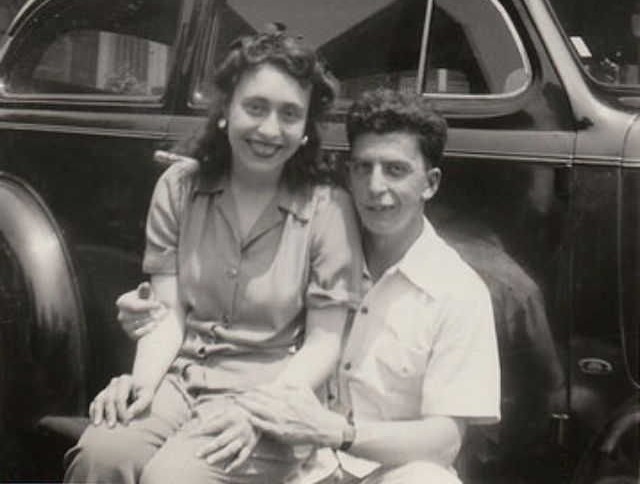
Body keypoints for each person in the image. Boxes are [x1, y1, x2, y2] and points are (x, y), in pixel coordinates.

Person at [120, 87, 500, 484]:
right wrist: (146, 311)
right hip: (284, 457)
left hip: (382, 469)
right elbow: (214, 304)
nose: (375, 187)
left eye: (395, 170)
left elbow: (443, 441)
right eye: (362, 167)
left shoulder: (457, 291)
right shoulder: (308, 240)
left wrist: (336, 432)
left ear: (431, 183)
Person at [64, 27, 362, 484]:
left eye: (289, 114)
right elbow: (169, 314)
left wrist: (260, 413)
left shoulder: (327, 207)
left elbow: (324, 342)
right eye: (255, 107)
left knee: (173, 480)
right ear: (226, 111)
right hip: (180, 382)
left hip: (269, 399)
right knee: (100, 453)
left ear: (305, 130)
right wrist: (141, 384)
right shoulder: (180, 187)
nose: (269, 129)